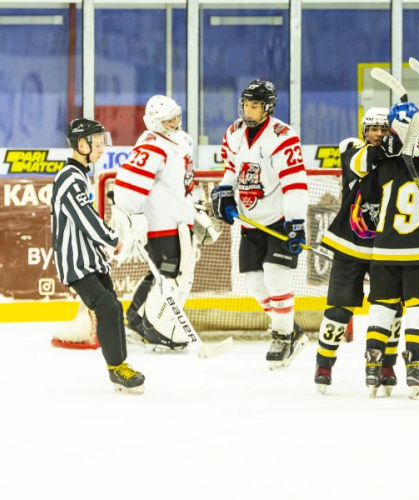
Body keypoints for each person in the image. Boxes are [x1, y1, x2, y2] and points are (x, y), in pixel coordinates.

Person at [352, 102, 419, 399]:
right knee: (418, 309)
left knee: (381, 308)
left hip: (383, 251)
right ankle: (416, 364)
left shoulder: (381, 164)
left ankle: (373, 361)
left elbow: (365, 191)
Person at [210, 80, 308, 370]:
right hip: (251, 221)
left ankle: (282, 335)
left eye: (254, 105)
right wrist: (225, 192)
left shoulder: (282, 136)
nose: (248, 111)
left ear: (268, 108)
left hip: (279, 220)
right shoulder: (234, 133)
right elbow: (231, 169)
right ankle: (292, 328)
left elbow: (295, 183)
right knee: (254, 282)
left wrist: (296, 223)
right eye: (245, 104)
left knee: (276, 275)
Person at [51, 118, 144, 394]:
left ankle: (121, 366)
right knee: (108, 308)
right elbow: (86, 219)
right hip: (76, 264)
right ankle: (117, 370)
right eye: (98, 143)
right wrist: (112, 239)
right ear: (82, 144)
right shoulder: (69, 177)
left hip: (90, 260)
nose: (103, 148)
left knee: (113, 308)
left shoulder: (80, 175)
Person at [114, 95, 214, 353]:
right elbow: (127, 184)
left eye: (176, 116)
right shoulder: (151, 145)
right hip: (162, 224)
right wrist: (131, 218)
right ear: (153, 122)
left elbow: (183, 182)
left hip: (178, 221)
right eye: (168, 119)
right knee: (170, 274)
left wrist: (195, 207)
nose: (174, 121)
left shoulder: (181, 140)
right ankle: (158, 329)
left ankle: (135, 320)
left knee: (159, 272)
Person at [315, 107, 403, 394]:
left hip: (386, 247)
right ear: (364, 131)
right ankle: (324, 365)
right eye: (373, 129)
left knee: (391, 309)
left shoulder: (399, 156)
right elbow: (364, 160)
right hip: (349, 243)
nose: (378, 134)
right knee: (339, 308)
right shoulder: (350, 148)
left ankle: (386, 365)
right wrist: (392, 144)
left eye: (383, 129)